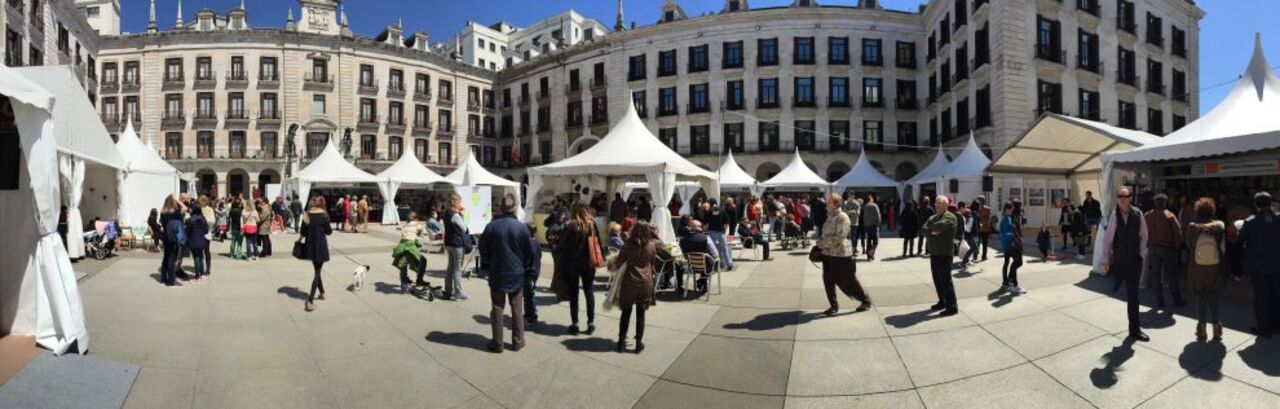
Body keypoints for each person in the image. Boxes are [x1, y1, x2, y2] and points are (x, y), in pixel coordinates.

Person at [479, 195, 535, 353]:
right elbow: (529, 252)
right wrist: (525, 266)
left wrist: (487, 264)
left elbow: (483, 248)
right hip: (516, 272)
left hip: (497, 271)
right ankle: (518, 340)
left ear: (501, 208)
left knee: (497, 307)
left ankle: (497, 343)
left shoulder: (491, 226)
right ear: (515, 208)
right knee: (517, 307)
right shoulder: (521, 227)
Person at [1100, 187, 1151, 342]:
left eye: (1125, 196)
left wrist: (1141, 253)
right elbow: (1108, 239)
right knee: (1118, 286)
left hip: (1134, 261)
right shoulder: (1114, 216)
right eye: (1120, 196)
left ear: (1130, 198)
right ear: (1117, 198)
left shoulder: (1138, 214)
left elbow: (1144, 235)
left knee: (1133, 296)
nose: (1123, 198)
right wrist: (1105, 259)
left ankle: (1134, 330)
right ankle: (1116, 282)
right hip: (1121, 261)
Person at [818, 194, 872, 316]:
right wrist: (820, 243)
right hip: (827, 254)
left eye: (828, 203)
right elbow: (825, 234)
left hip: (841, 255)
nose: (826, 205)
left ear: (836, 204)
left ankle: (865, 300)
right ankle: (833, 305)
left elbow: (840, 236)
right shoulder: (829, 217)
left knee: (849, 280)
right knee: (828, 279)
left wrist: (823, 243)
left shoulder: (842, 217)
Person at [609, 222, 658, 353]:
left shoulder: (627, 244)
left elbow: (619, 262)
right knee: (640, 314)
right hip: (645, 281)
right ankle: (638, 343)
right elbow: (652, 261)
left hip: (629, 280)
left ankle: (621, 342)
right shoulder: (651, 245)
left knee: (626, 313)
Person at [1238, 192, 1280, 337]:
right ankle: (1277, 327)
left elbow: (1239, 240)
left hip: (1259, 267)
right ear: (1270, 203)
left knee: (1262, 299)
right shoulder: (1278, 218)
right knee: (1277, 297)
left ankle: (1264, 329)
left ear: (1256, 204)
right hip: (1277, 266)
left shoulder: (1251, 221)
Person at [1185, 197, 1226, 341]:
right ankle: (1216, 328)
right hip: (1215, 268)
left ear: (1197, 210)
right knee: (1214, 296)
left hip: (1197, 267)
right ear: (1212, 210)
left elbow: (1189, 246)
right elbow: (1223, 249)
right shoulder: (1220, 226)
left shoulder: (1192, 226)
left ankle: (1202, 329)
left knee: (1200, 297)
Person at [557, 202, 599, 335]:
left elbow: (561, 244)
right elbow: (599, 243)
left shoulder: (570, 225)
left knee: (574, 293)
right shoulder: (592, 225)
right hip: (588, 263)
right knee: (588, 290)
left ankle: (575, 323)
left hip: (572, 263)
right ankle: (591, 322)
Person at [1144, 193, 1185, 309]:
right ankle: (1176, 300)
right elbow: (1178, 233)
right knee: (1172, 275)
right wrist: (1176, 247)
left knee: (1156, 275)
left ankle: (1159, 301)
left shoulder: (1147, 215)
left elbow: (1143, 232)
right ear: (1165, 203)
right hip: (1167, 248)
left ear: (1155, 203)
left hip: (1152, 247)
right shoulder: (1169, 215)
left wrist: (1147, 244)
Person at [923, 196, 959, 316]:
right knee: (937, 280)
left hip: (944, 253)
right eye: (936, 203)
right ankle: (942, 301)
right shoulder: (933, 217)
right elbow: (923, 230)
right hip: (934, 253)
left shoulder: (950, 217)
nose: (936, 205)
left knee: (945, 280)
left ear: (946, 205)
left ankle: (952, 306)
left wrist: (932, 230)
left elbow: (938, 228)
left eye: (939, 203)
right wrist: (932, 232)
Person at [300, 196, 332, 312]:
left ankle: (322, 292)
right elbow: (329, 232)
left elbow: (303, 232)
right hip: (321, 247)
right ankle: (310, 300)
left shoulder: (307, 215)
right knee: (317, 272)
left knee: (317, 270)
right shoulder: (323, 215)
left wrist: (299, 240)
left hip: (310, 247)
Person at [443, 192, 472, 301]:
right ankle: (458, 293)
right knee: (457, 269)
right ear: (455, 203)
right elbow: (464, 228)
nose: (461, 204)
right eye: (460, 202)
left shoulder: (446, 213)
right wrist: (461, 215)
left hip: (449, 243)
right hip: (457, 244)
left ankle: (448, 291)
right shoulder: (455, 215)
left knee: (450, 268)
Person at [678, 220, 719, 294]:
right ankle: (702, 281)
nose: (702, 228)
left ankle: (702, 283)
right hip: (706, 264)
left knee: (703, 261)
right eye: (700, 226)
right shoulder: (706, 238)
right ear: (698, 227)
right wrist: (716, 257)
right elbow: (715, 253)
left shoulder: (682, 240)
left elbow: (682, 253)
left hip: (691, 265)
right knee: (715, 261)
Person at [392, 212, 430, 292]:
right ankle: (419, 280)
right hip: (410, 247)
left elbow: (404, 234)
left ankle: (404, 283)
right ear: (416, 218)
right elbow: (425, 233)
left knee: (403, 264)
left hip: (402, 246)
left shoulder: (405, 226)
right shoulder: (417, 225)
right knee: (422, 261)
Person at [1000, 202, 1026, 294]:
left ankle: (1008, 282)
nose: (1012, 210)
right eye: (1011, 208)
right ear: (1007, 209)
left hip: (1009, 244)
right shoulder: (1007, 219)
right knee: (1016, 262)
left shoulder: (1008, 218)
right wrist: (1013, 233)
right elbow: (1004, 233)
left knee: (1010, 263)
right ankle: (1012, 283)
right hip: (1010, 244)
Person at [158, 196, 185, 287]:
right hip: (174, 238)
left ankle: (163, 278)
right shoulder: (176, 212)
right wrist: (177, 200)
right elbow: (185, 208)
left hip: (166, 237)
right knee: (172, 259)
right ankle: (171, 281)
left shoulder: (162, 213)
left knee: (166, 257)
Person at [704, 198, 734, 271]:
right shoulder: (722, 210)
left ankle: (714, 265)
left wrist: (705, 230)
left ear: (710, 203)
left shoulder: (709, 211)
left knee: (712, 249)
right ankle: (729, 264)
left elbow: (706, 223)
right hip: (721, 232)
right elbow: (727, 222)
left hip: (711, 232)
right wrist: (724, 230)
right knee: (724, 248)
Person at [523, 223, 543, 326]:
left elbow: (527, 260)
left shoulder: (530, 244)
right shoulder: (536, 243)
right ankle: (531, 313)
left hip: (529, 273)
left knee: (528, 295)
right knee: (530, 294)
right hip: (534, 272)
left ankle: (531, 316)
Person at [188, 200, 211, 280]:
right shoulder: (203, 218)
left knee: (196, 257)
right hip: (202, 239)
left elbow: (188, 231)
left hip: (193, 239)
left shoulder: (191, 219)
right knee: (201, 256)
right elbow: (206, 230)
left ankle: (197, 275)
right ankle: (201, 272)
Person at [860, 195, 882, 260]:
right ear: (870, 199)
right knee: (876, 241)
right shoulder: (874, 205)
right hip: (874, 225)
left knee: (869, 240)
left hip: (866, 226)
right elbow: (878, 216)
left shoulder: (864, 207)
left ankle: (869, 256)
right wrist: (878, 224)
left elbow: (863, 217)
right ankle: (871, 252)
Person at [976, 196, 993, 261]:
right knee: (985, 243)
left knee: (977, 242)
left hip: (979, 228)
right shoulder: (988, 209)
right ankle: (984, 256)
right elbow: (988, 219)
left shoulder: (977, 209)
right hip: (985, 228)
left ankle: (976, 255)